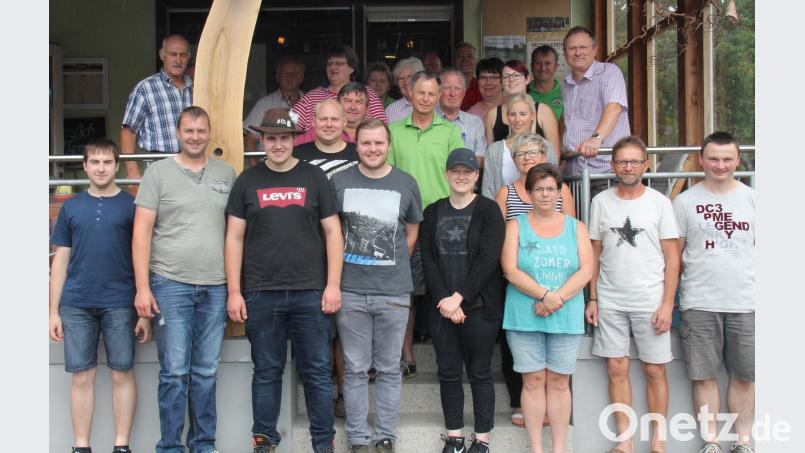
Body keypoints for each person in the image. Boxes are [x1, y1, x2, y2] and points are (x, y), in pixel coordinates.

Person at [225, 108, 343, 453]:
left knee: (318, 373)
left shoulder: (315, 177)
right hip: (261, 292)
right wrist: (235, 291)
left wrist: (333, 284)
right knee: (266, 372)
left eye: (284, 138)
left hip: (311, 291)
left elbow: (334, 232)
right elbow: (234, 237)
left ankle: (323, 443)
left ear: (294, 139)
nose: (278, 145)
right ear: (262, 140)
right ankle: (264, 441)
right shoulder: (247, 181)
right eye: (271, 138)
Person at [132, 106, 236, 453]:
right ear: (178, 133)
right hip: (170, 283)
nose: (195, 137)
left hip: (216, 286)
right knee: (175, 373)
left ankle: (204, 444)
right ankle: (171, 447)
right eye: (188, 131)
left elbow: (237, 233)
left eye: (201, 131)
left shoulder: (226, 173)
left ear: (209, 133)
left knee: (206, 372)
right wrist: (143, 288)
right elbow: (141, 233)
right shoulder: (158, 173)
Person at [50, 138, 151, 453]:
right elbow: (60, 260)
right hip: (76, 303)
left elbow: (143, 256)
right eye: (95, 162)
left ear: (117, 165)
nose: (101, 168)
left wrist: (144, 312)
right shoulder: (70, 207)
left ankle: (121, 445)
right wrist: (52, 310)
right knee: (82, 376)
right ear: (84, 166)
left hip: (121, 302)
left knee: (122, 371)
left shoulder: (132, 206)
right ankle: (81, 446)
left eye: (107, 162)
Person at [331, 118, 423, 453]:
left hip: (394, 291)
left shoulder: (405, 183)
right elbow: (330, 232)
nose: (373, 149)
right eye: (366, 143)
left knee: (388, 368)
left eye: (379, 143)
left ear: (388, 145)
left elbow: (413, 230)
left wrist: (394, 258)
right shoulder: (339, 182)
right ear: (357, 145)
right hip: (350, 289)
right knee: (354, 369)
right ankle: (357, 438)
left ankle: (385, 437)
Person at [584, 135, 679, 453]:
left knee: (655, 369)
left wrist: (668, 303)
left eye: (634, 161)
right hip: (610, 299)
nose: (627, 166)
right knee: (616, 368)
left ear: (646, 164)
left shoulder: (659, 202)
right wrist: (593, 297)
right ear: (612, 165)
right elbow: (593, 254)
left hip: (650, 300)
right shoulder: (601, 202)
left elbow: (673, 257)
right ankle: (625, 441)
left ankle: (658, 441)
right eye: (622, 161)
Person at [672, 132, 755, 453]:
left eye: (726, 159)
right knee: (703, 375)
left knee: (745, 376)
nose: (720, 165)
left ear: (737, 161)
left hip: (746, 302)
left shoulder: (753, 199)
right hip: (699, 302)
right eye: (713, 159)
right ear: (702, 160)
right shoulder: (684, 202)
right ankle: (712, 442)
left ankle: (743, 442)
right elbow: (674, 257)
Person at [501, 163, 593, 453]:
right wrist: (544, 295)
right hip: (524, 316)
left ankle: (559, 448)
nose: (544, 194)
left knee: (558, 381)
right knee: (533, 380)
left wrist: (556, 299)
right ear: (528, 193)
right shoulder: (515, 226)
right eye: (538, 189)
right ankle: (537, 448)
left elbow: (586, 270)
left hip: (564, 316)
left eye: (550, 189)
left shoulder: (576, 227)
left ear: (560, 192)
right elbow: (510, 270)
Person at [420, 148, 505, 453]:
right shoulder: (433, 211)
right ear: (446, 174)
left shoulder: (488, 210)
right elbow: (427, 258)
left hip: (480, 307)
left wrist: (459, 298)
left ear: (476, 177)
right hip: (442, 307)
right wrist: (445, 299)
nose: (460, 176)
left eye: (467, 172)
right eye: (455, 171)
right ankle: (454, 436)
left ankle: (481, 438)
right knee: (448, 371)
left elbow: (487, 259)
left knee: (480, 371)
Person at [388, 71, 465, 380]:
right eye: (420, 93)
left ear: (439, 96)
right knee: (402, 291)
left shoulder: (449, 132)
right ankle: (406, 355)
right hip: (401, 221)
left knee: (443, 288)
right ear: (409, 93)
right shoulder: (392, 131)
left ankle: (448, 357)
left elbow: (460, 176)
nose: (425, 99)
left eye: (432, 94)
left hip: (441, 220)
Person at [561, 26, 631, 198]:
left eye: (583, 47)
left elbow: (614, 107)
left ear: (595, 50)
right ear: (565, 53)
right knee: (579, 225)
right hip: (573, 173)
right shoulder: (565, 83)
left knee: (603, 224)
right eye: (572, 48)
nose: (578, 52)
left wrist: (597, 138)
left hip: (605, 172)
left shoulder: (609, 72)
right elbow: (567, 120)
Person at [120, 34, 193, 180]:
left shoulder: (197, 88)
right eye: (173, 54)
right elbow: (128, 132)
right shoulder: (145, 88)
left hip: (193, 164)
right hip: (159, 165)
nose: (178, 60)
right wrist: (132, 171)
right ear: (162, 55)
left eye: (183, 55)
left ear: (188, 57)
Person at [292, 45, 387, 132]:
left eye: (339, 63)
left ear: (352, 68)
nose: (333, 67)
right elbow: (289, 123)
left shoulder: (367, 93)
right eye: (329, 64)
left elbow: (382, 128)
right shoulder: (312, 96)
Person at [481, 94, 559, 199]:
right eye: (513, 114)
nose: (517, 119)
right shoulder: (494, 150)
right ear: (507, 117)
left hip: (539, 211)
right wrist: (496, 214)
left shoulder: (546, 148)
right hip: (501, 212)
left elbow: (554, 183)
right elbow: (487, 189)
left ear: (533, 116)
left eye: (523, 114)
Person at [484, 60, 559, 152]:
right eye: (506, 77)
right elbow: (490, 155)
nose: (511, 80)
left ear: (527, 79)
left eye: (516, 75)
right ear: (502, 82)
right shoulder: (493, 114)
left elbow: (554, 155)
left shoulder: (544, 111)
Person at [495, 133, 575, 220]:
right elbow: (499, 231)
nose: (527, 158)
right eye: (520, 154)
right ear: (514, 161)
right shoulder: (505, 193)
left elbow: (571, 228)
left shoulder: (562, 189)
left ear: (544, 157)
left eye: (533, 152)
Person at [244, 56, 305, 153]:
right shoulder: (264, 104)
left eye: (294, 74)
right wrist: (256, 167)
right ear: (278, 77)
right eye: (285, 74)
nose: (289, 77)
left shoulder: (309, 102)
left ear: (301, 78)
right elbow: (250, 138)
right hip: (269, 162)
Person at [294, 99, 358, 179]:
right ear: (313, 122)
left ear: (344, 122)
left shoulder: (359, 153)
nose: (329, 124)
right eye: (323, 119)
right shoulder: (296, 155)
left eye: (334, 119)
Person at [437, 68, 486, 166]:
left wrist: (458, 171)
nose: (453, 93)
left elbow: (481, 158)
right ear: (438, 91)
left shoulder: (475, 122)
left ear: (463, 93)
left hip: (465, 179)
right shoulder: (427, 120)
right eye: (447, 88)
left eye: (457, 88)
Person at [295, 82, 370, 146]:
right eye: (347, 101)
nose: (353, 107)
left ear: (367, 108)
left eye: (359, 102)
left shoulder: (373, 132)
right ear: (338, 105)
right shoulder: (323, 130)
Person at [385, 57, 426, 123]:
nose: (406, 82)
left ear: (420, 78)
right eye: (401, 78)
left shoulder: (434, 105)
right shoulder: (391, 110)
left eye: (410, 77)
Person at [528, 45, 563, 121]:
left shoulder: (566, 92)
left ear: (556, 66)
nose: (543, 68)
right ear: (531, 66)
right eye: (538, 63)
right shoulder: (523, 92)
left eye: (548, 63)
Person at [454, 42, 481, 111]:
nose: (465, 60)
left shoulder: (484, 87)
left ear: (476, 60)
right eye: (460, 56)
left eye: (470, 56)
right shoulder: (444, 88)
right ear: (454, 61)